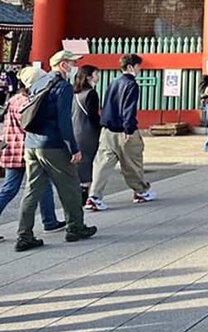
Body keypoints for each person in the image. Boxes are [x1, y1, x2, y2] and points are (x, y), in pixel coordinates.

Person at [16, 50, 97, 252]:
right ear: (62, 65)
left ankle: (24, 235)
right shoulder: (63, 87)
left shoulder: (39, 83)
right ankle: (75, 227)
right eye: (71, 63)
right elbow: (64, 120)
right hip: (52, 144)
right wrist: (73, 147)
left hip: (32, 143)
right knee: (69, 185)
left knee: (31, 190)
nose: (73, 67)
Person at [0, 66, 64, 241]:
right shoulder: (25, 101)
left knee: (38, 184)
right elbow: (29, 123)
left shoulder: (15, 99)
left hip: (13, 149)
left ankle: (50, 221)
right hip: (23, 148)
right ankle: (49, 221)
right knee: (12, 189)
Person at [86, 55, 156, 211]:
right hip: (124, 131)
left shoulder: (113, 82)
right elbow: (128, 108)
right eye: (138, 66)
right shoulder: (131, 84)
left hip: (106, 130)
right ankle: (141, 191)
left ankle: (94, 196)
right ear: (131, 67)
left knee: (102, 165)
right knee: (132, 163)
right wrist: (129, 128)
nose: (139, 69)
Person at [71, 65, 101, 198]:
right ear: (89, 77)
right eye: (96, 74)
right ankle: (86, 194)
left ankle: (79, 192)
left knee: (79, 162)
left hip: (74, 131)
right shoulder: (91, 93)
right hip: (88, 133)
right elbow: (93, 116)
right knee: (88, 162)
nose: (98, 76)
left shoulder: (74, 93)